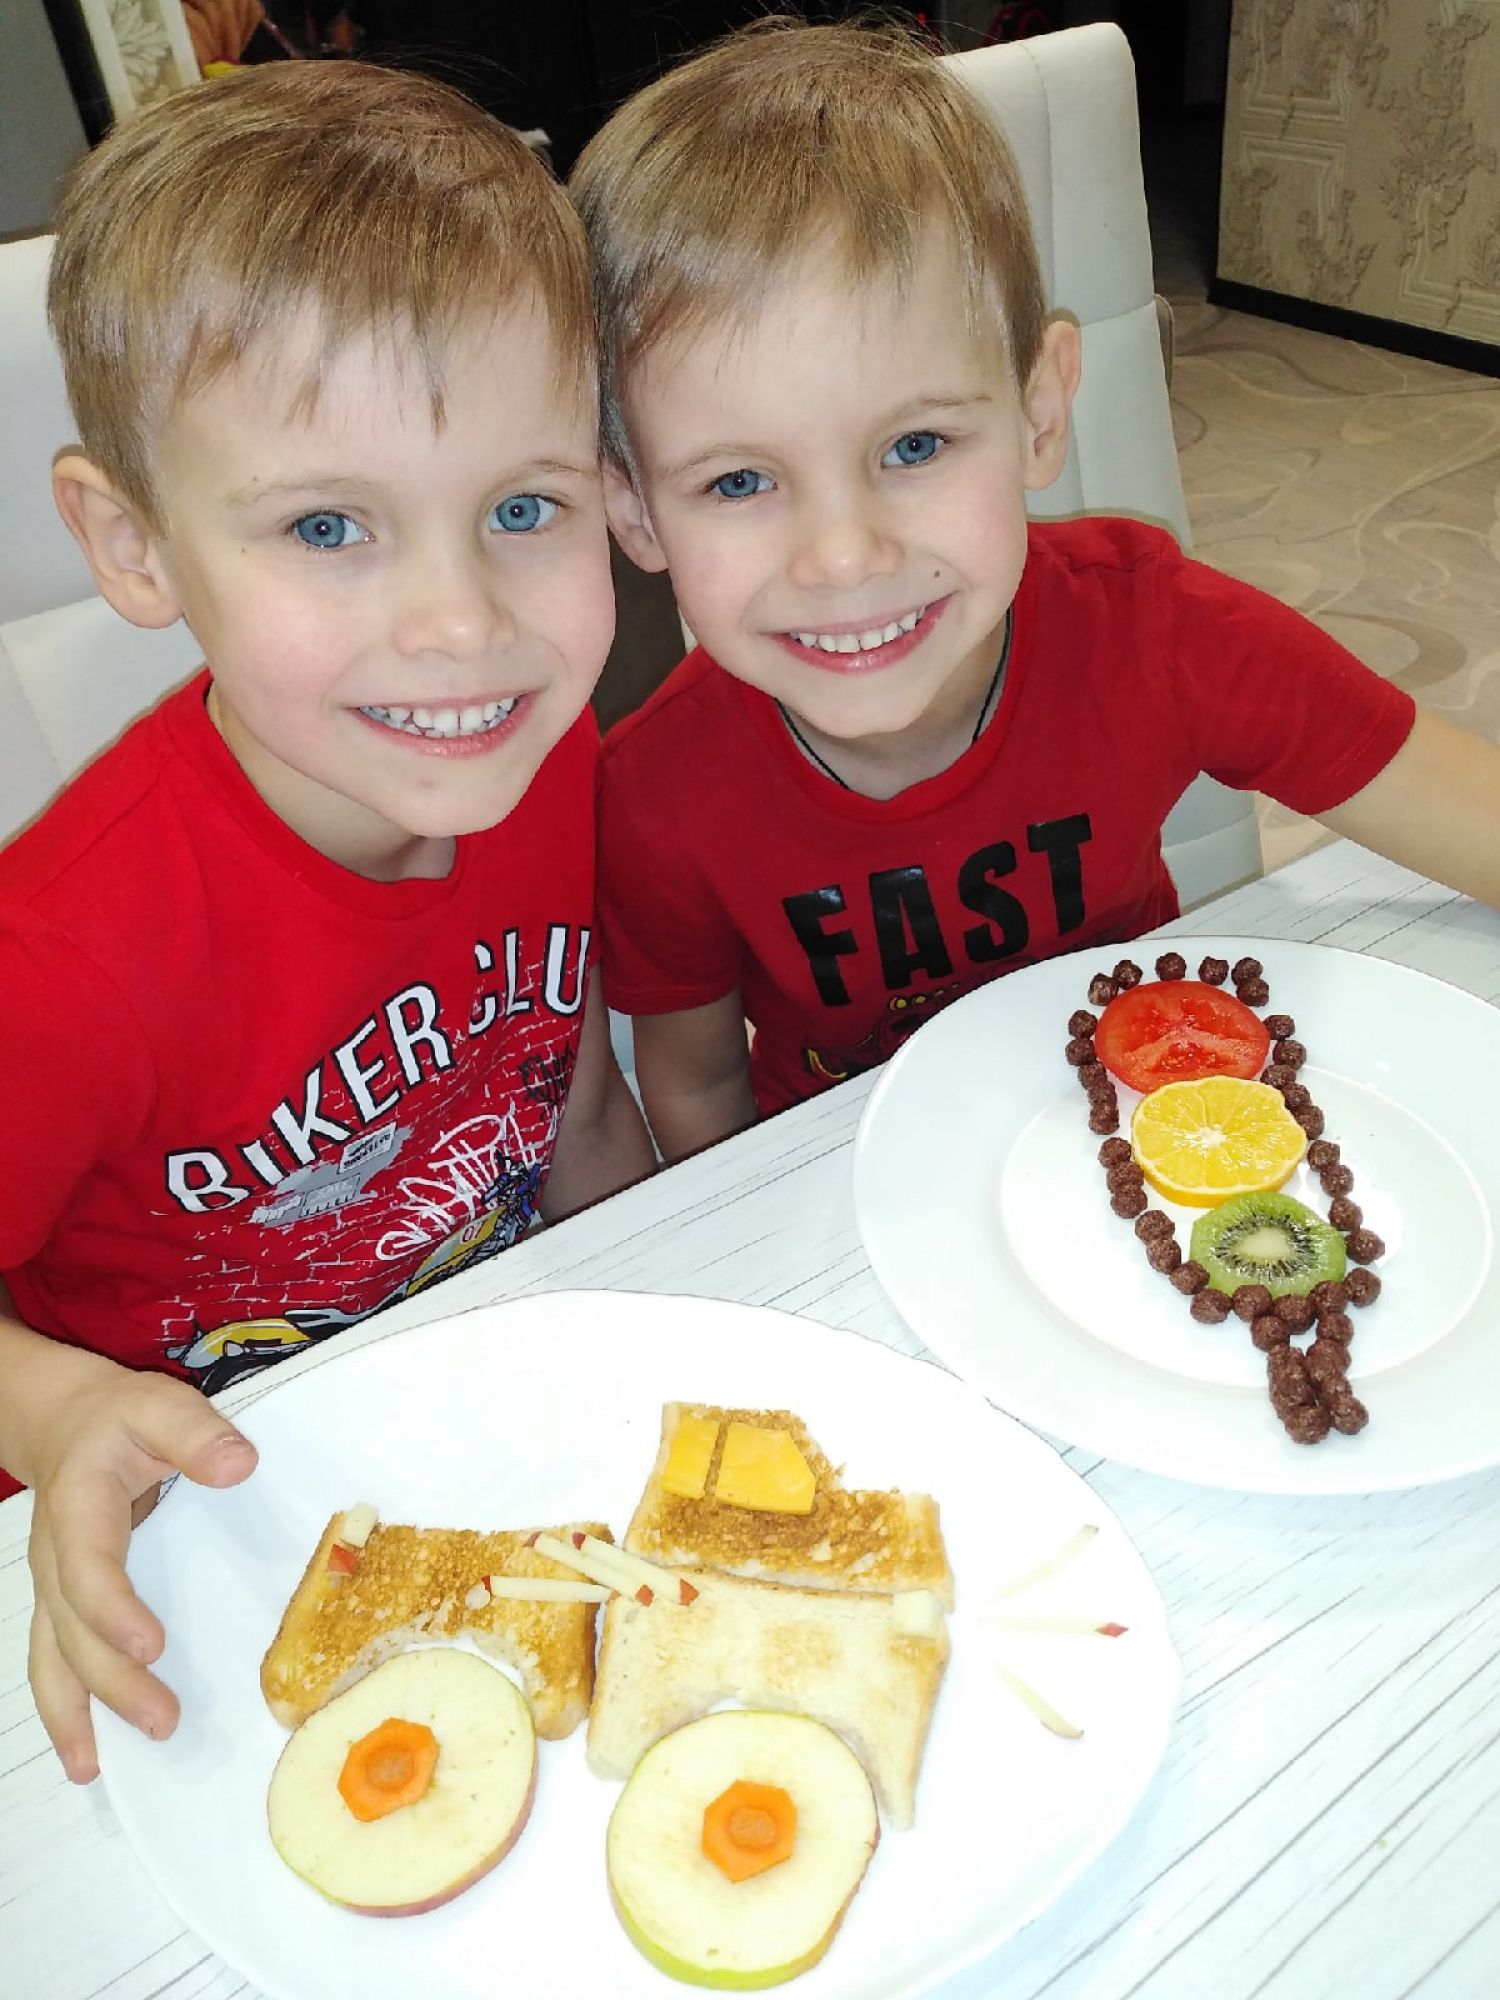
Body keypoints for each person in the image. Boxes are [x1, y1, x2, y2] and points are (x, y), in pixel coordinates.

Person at [0, 60, 655, 1781]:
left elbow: (572, 1098)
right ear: (134, 545)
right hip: (187, 1558)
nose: (462, 625)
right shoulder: (62, 960)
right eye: (327, 526)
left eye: (523, 509)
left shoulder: (543, 756)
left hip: (496, 1435)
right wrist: (53, 1407)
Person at [570, 18, 1500, 1163]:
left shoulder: (1161, 633)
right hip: (853, 1176)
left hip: (1155, 1137)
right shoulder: (653, 797)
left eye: (914, 445)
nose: (845, 557)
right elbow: (698, 1088)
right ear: (633, 509)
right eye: (739, 480)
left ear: (1041, 412)